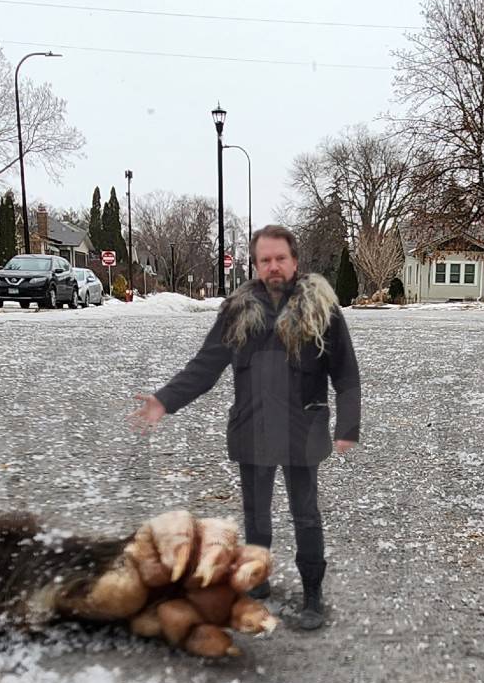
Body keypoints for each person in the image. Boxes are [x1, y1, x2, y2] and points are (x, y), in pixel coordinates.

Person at [130, 224, 360, 630]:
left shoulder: (322, 309)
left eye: (280, 259)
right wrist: (164, 400)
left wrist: (348, 425)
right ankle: (258, 579)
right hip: (252, 428)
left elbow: (345, 374)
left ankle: (312, 595)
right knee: (256, 517)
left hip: (302, 431)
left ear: (295, 261)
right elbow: (205, 367)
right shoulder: (238, 309)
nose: (273, 267)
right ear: (255, 264)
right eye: (264, 260)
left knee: (305, 515)